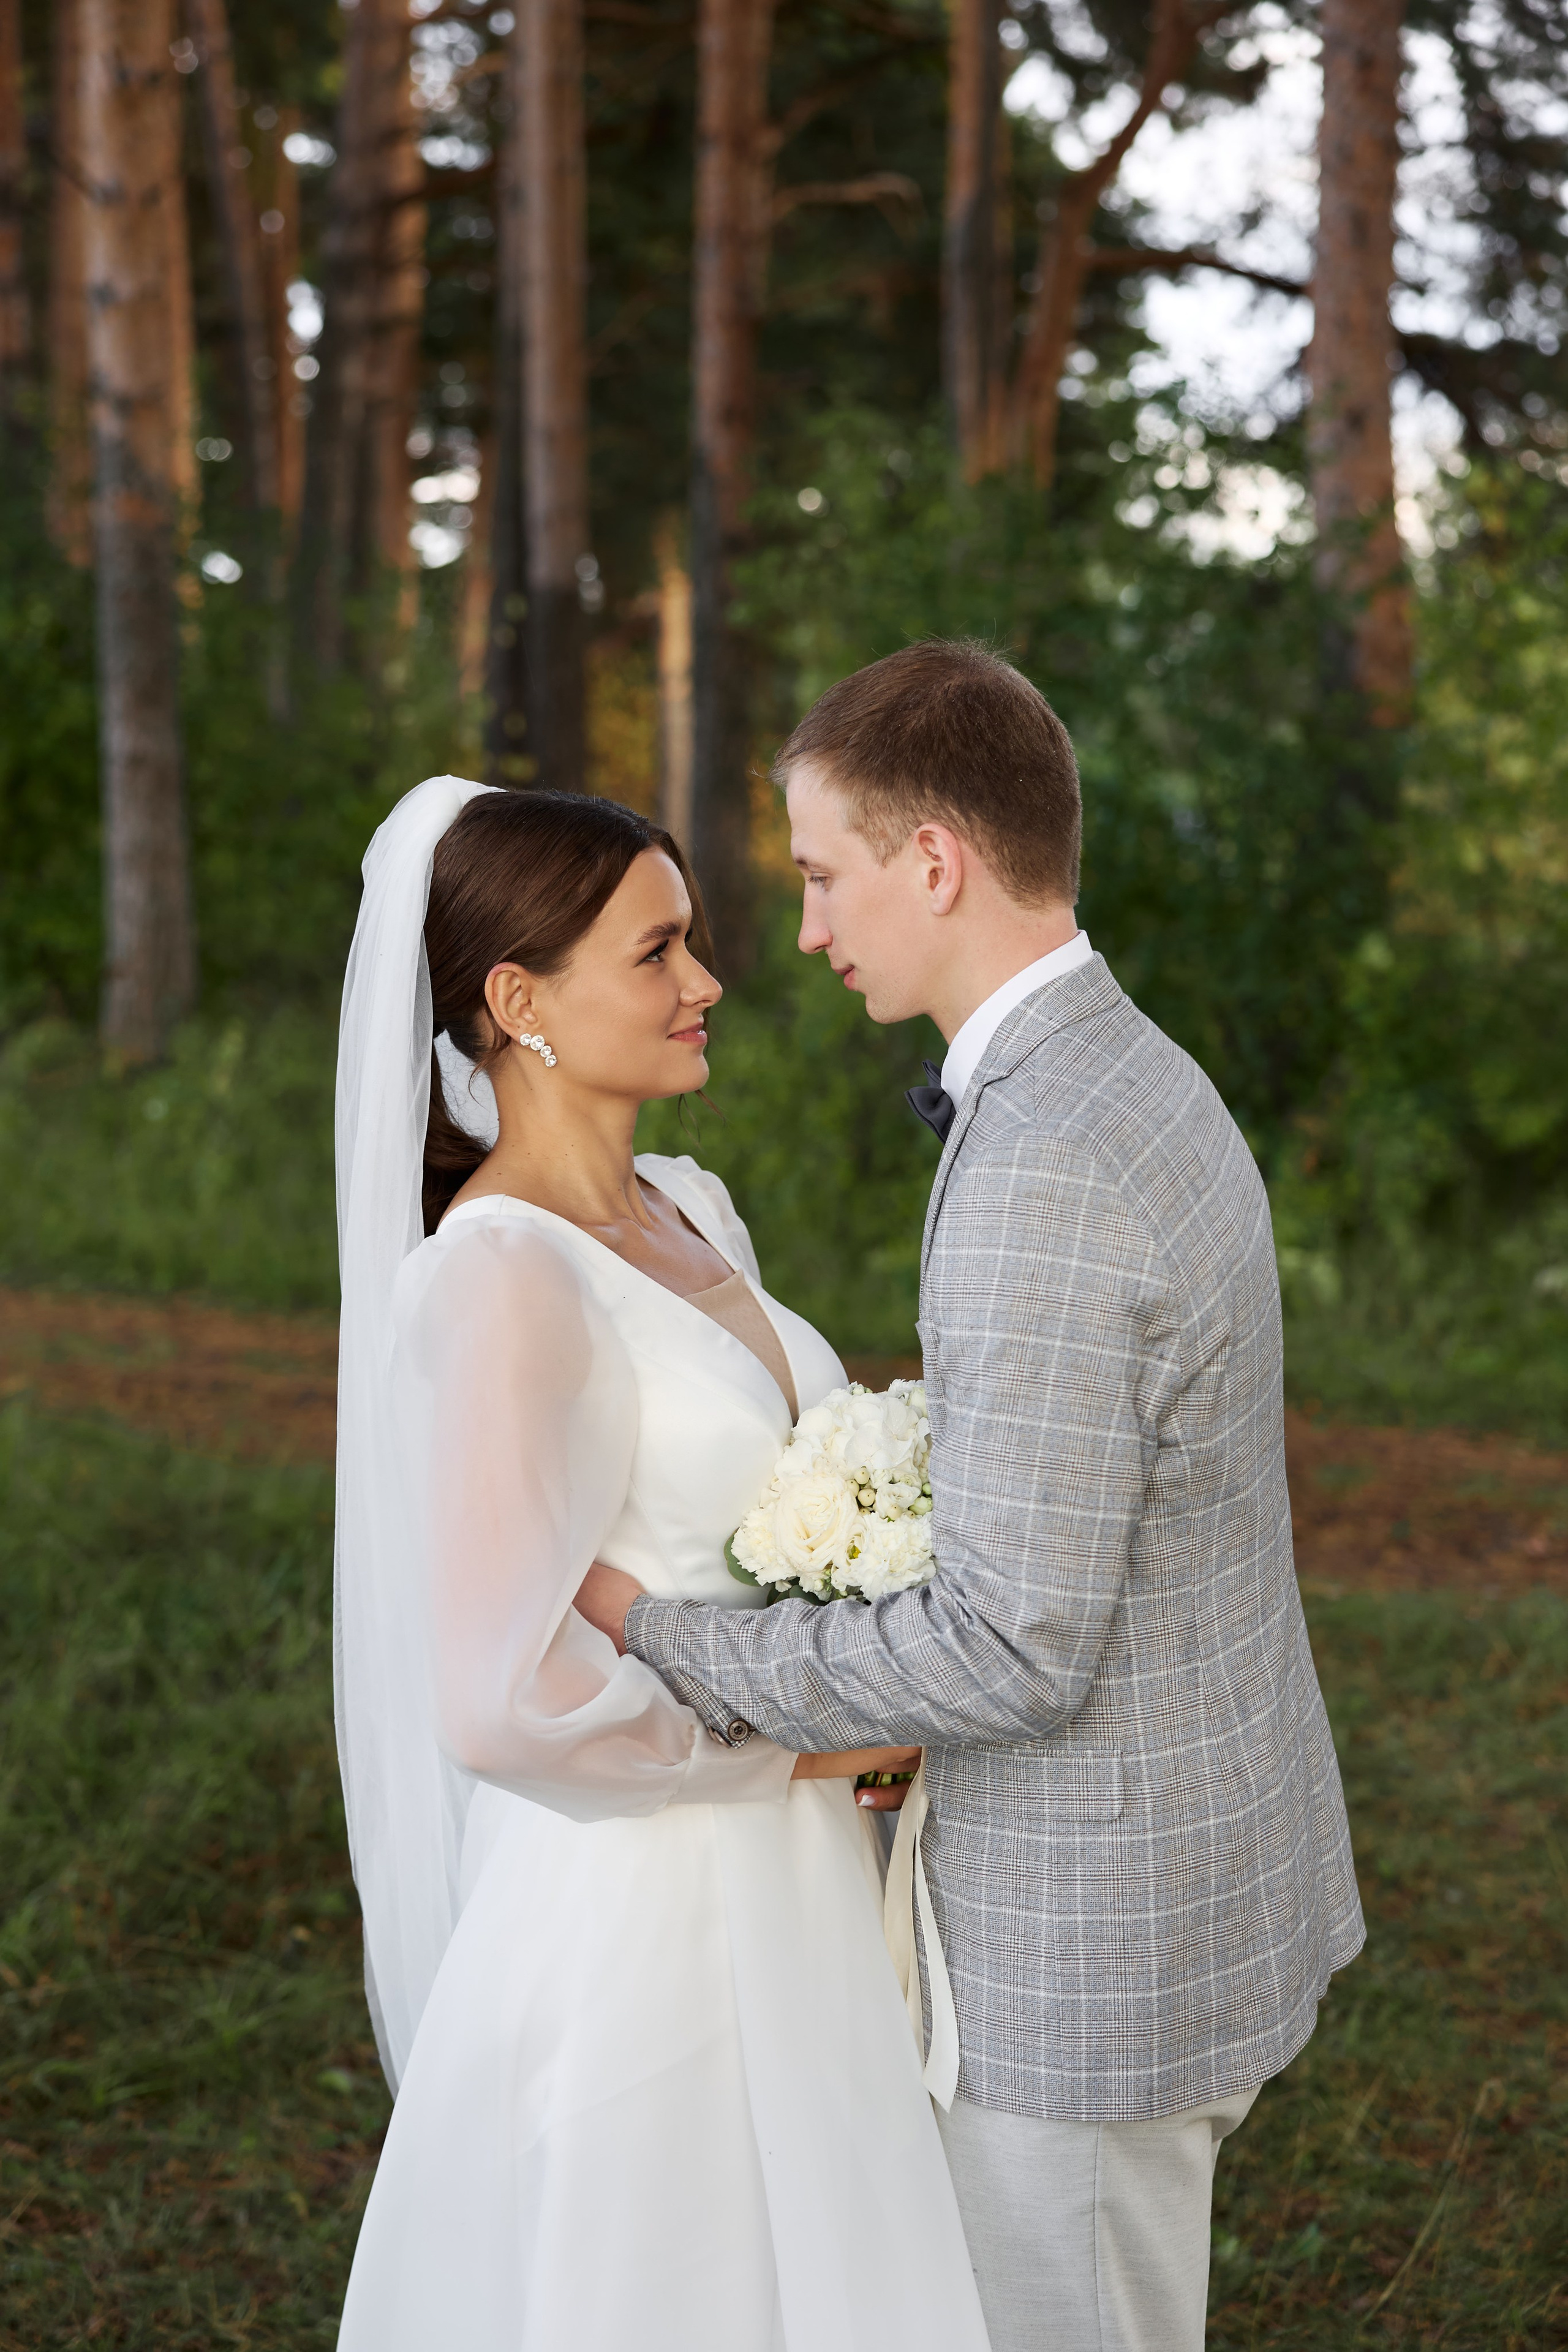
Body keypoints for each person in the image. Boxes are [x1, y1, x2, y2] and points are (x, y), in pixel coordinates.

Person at [578, 640, 1366, 2352]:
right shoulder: (1127, 1069)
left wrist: (674, 1635)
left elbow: (1012, 1653)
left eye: (819, 876)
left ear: (933, 861)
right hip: (1197, 1858)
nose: (800, 931)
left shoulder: (1043, 1164)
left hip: (1090, 1953)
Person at [331, 775, 990, 2352]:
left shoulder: (689, 1208)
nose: (705, 984)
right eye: (657, 950)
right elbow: (499, 1694)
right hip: (641, 1914)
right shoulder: (495, 1277)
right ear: (516, 1000)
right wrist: (801, 1743)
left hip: (804, 1882)